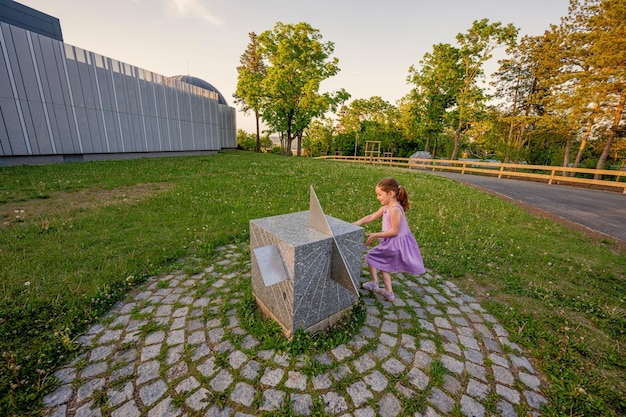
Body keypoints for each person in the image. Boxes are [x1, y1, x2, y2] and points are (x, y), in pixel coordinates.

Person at [354, 177, 425, 302]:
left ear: (391, 194)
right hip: (391, 242)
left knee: (371, 256)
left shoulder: (395, 209)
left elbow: (394, 231)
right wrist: (358, 222)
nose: (378, 197)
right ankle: (388, 292)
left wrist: (375, 235)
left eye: (380, 194)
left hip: (395, 244)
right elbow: (372, 216)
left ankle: (375, 283)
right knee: (384, 264)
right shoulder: (387, 207)